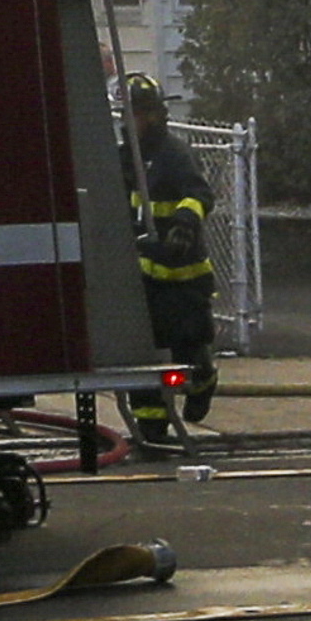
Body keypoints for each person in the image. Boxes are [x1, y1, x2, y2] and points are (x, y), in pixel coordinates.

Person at [124, 75, 220, 443]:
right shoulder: (131, 156)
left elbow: (199, 193)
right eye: (128, 113)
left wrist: (184, 223)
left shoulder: (174, 154)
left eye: (138, 113)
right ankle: (151, 426)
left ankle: (203, 380)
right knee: (143, 353)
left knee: (188, 346)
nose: (131, 121)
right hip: (147, 274)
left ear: (155, 114)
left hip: (185, 274)